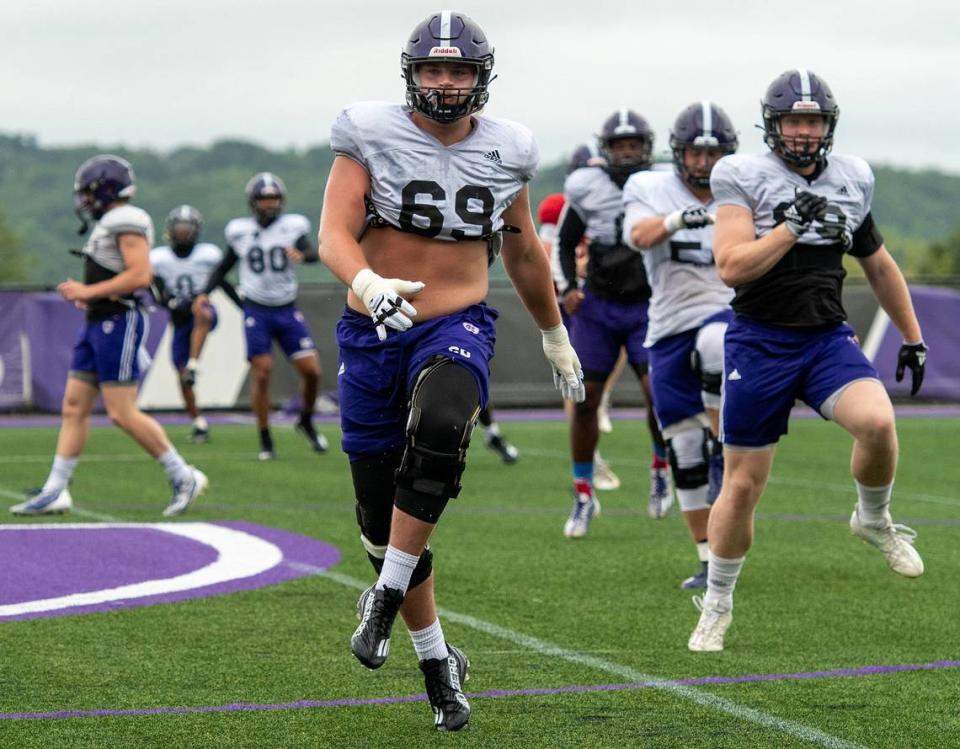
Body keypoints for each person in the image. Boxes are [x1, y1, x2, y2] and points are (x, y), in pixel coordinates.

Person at [318, 10, 584, 731]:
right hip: (375, 326)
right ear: (411, 74)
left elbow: (524, 252)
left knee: (441, 424)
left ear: (481, 77)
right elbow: (334, 231)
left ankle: (383, 595)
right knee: (380, 523)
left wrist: (554, 332)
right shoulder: (368, 132)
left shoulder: (509, 149)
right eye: (433, 69)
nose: (445, 81)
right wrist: (369, 282)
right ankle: (438, 661)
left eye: (459, 69)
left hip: (457, 321)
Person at [688, 70, 927, 653]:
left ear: (829, 125)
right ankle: (717, 601)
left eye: (813, 120)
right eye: (794, 120)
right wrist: (791, 227)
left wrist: (913, 336)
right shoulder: (742, 176)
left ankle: (873, 518)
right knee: (743, 486)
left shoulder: (852, 179)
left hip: (824, 338)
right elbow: (732, 266)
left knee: (878, 422)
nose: (804, 131)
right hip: (759, 340)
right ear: (773, 126)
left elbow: (878, 265)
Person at [10, 155, 207, 517]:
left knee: (121, 411)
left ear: (105, 190)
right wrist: (94, 297)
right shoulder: (111, 222)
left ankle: (183, 475)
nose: (84, 200)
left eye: (88, 192)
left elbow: (139, 276)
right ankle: (56, 489)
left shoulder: (124, 219)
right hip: (100, 320)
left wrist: (88, 292)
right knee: (73, 406)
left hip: (119, 321)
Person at [622, 101, 738, 588]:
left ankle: (724, 441)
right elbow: (637, 236)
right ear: (679, 153)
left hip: (728, 314)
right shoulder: (649, 186)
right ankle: (707, 558)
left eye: (714, 153)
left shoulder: (744, 187)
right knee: (682, 450)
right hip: (668, 326)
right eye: (696, 152)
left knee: (715, 343)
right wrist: (677, 220)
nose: (705, 162)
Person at [557, 110, 671, 538]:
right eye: (619, 146)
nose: (626, 153)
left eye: (633, 145)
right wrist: (569, 284)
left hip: (649, 305)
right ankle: (584, 491)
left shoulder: (663, 182)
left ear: (647, 146)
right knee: (585, 402)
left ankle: (661, 467)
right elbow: (567, 242)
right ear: (606, 149)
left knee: (659, 396)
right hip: (600, 306)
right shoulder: (587, 187)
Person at [194, 173, 328, 460]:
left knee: (312, 371)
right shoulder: (239, 231)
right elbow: (223, 267)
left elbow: (313, 253)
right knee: (262, 371)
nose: (270, 205)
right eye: (265, 199)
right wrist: (205, 292)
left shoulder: (292, 226)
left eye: (274, 199)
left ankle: (305, 420)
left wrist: (302, 256)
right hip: (257, 309)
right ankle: (265, 438)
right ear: (253, 202)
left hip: (287, 308)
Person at [537, 188, 619, 490]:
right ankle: (592, 457)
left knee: (589, 375)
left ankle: (603, 403)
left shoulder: (593, 222)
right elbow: (550, 263)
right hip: (565, 314)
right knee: (575, 381)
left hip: (583, 309)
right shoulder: (559, 224)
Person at [150, 205, 242, 443]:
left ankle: (194, 364)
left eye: (187, 229)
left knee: (202, 310)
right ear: (170, 231)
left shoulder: (207, 254)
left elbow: (222, 281)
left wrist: (243, 308)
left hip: (202, 309)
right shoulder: (159, 258)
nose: (183, 234)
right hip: (179, 319)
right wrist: (169, 303)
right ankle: (198, 422)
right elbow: (155, 291)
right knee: (180, 376)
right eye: (179, 230)